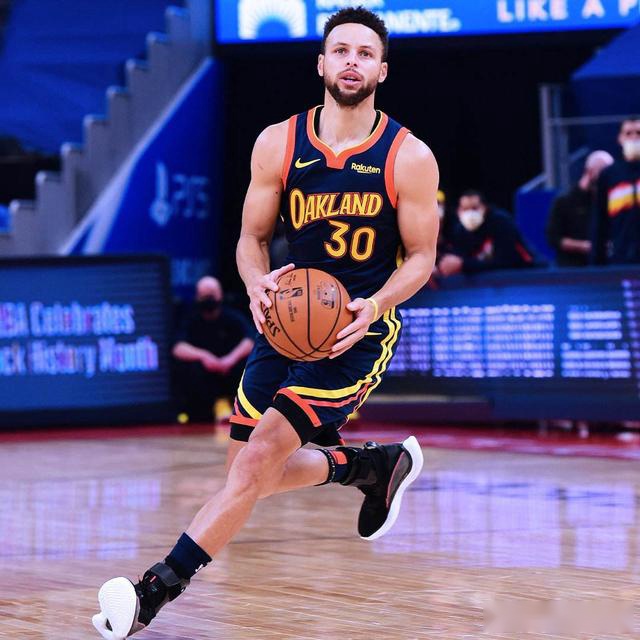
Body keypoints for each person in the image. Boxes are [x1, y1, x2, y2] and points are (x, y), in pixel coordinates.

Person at [92, 8, 439, 639]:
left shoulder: (408, 156)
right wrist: (255, 283)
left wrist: (376, 305)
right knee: (248, 472)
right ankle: (367, 467)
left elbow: (421, 258)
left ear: (382, 71)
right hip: (288, 324)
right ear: (321, 63)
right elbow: (251, 239)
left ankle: (151, 595)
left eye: (366, 53)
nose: (352, 62)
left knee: (256, 463)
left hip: (355, 332)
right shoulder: (278, 142)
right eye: (341, 50)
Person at [172, 276, 254, 422]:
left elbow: (250, 340)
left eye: (211, 295)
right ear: (197, 297)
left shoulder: (233, 316)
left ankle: (239, 408)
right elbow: (178, 348)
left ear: (220, 295)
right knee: (189, 369)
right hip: (205, 375)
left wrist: (230, 359)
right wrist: (204, 356)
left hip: (230, 370)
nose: (208, 300)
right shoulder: (190, 319)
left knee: (249, 366)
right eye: (204, 296)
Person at [436, 190, 535, 277]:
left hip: (527, 278)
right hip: (486, 287)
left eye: (474, 208)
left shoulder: (501, 223)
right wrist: (438, 267)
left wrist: (464, 265)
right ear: (458, 211)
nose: (470, 214)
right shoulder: (459, 231)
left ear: (485, 208)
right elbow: (455, 259)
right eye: (465, 209)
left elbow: (508, 261)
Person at [546, 151, 613, 267]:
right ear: (589, 171)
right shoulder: (564, 201)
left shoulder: (607, 200)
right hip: (572, 269)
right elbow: (554, 238)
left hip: (603, 268)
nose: (608, 179)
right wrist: (585, 246)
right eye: (603, 173)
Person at [592, 116, 640, 265]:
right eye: (628, 133)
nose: (634, 137)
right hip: (621, 259)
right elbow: (600, 222)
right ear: (620, 138)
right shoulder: (609, 175)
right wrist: (596, 263)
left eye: (639, 133)